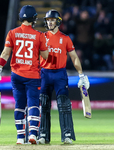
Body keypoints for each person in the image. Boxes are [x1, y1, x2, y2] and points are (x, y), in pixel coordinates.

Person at [0, 5, 48, 144]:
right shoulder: (39, 35)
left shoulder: (12, 33)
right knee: (34, 104)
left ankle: (20, 137)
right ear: (33, 18)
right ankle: (33, 134)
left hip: (16, 75)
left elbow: (5, 53)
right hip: (32, 75)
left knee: (19, 106)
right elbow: (46, 56)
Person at [38, 10, 90, 145]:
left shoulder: (65, 38)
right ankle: (43, 135)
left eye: (52, 20)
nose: (49, 22)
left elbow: (74, 57)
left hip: (60, 74)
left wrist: (81, 75)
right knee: (43, 104)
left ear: (58, 21)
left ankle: (67, 134)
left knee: (64, 105)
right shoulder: (41, 37)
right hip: (45, 73)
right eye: (48, 20)